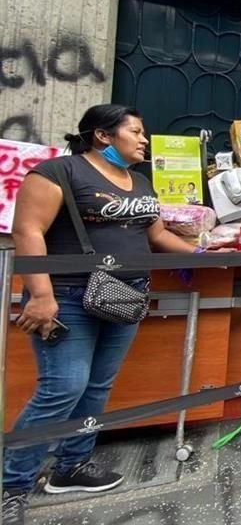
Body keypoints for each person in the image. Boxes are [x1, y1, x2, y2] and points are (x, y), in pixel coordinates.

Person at [3, 105, 203, 525]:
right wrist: (39, 293)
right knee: (62, 388)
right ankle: (13, 484)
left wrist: (208, 255)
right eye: (136, 131)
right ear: (103, 136)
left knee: (97, 386)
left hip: (125, 296)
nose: (144, 139)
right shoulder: (58, 172)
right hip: (69, 296)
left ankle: (71, 467)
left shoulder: (140, 181)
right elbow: (28, 231)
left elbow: (157, 234)